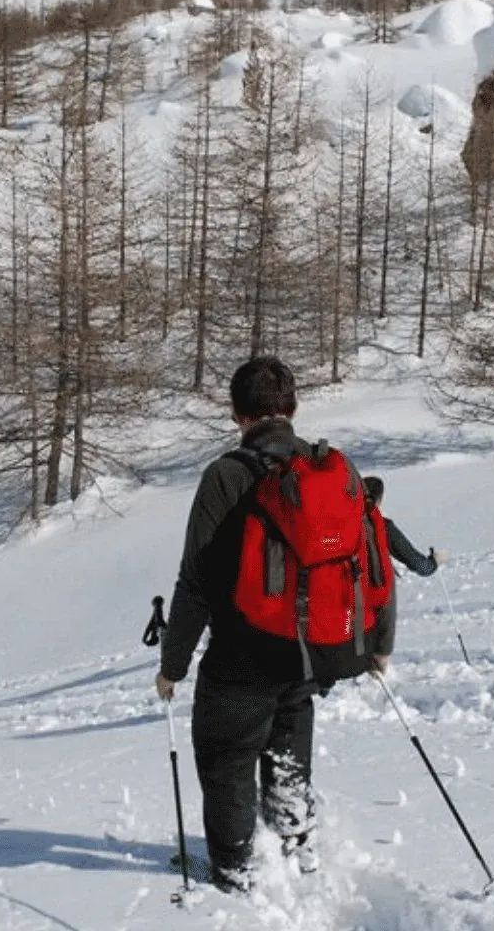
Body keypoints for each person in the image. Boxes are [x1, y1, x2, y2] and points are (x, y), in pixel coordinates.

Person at [157, 357, 397, 893]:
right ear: (292, 407)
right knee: (289, 742)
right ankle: (296, 847)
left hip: (242, 654)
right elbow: (371, 557)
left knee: (226, 758)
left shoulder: (226, 476)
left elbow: (196, 581)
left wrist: (172, 665)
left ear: (237, 413)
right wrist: (379, 644)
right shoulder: (330, 469)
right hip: (310, 650)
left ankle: (234, 871)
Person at [363, 476, 445, 576]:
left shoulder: (345, 524)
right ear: (379, 499)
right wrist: (435, 561)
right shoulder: (381, 527)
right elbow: (420, 565)